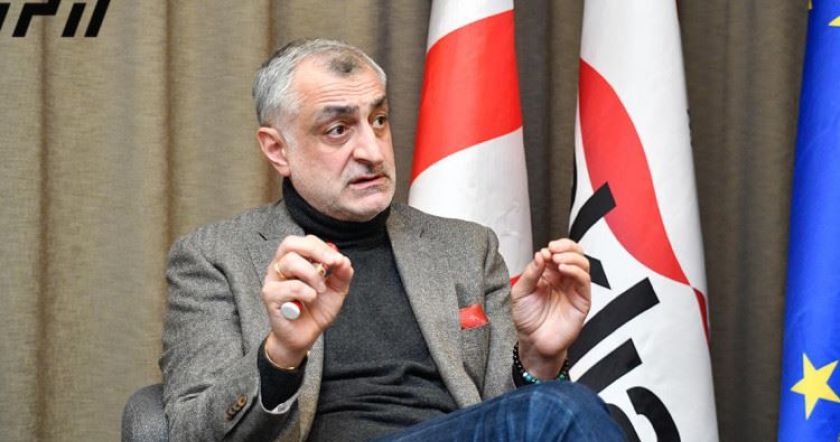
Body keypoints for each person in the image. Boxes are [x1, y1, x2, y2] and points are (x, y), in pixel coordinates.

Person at [160, 38, 622, 441]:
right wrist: (281, 354)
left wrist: (538, 360)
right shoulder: (214, 257)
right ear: (278, 149)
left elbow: (506, 418)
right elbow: (188, 431)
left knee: (575, 407)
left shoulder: (466, 248)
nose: (372, 151)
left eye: (378, 120)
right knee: (562, 409)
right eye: (338, 129)